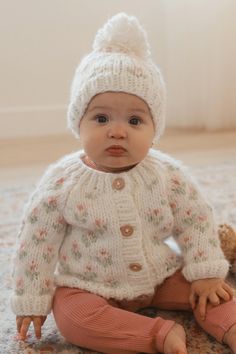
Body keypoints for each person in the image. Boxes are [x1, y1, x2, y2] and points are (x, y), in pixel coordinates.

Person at [11, 13, 236, 354]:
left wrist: (205, 270)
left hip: (159, 275)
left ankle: (231, 325)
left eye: (134, 120)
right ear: (79, 122)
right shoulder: (61, 183)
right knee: (72, 318)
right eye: (101, 118)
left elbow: (195, 219)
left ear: (154, 128)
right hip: (86, 284)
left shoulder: (167, 175)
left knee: (214, 292)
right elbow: (35, 244)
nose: (117, 131)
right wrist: (30, 299)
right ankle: (156, 334)